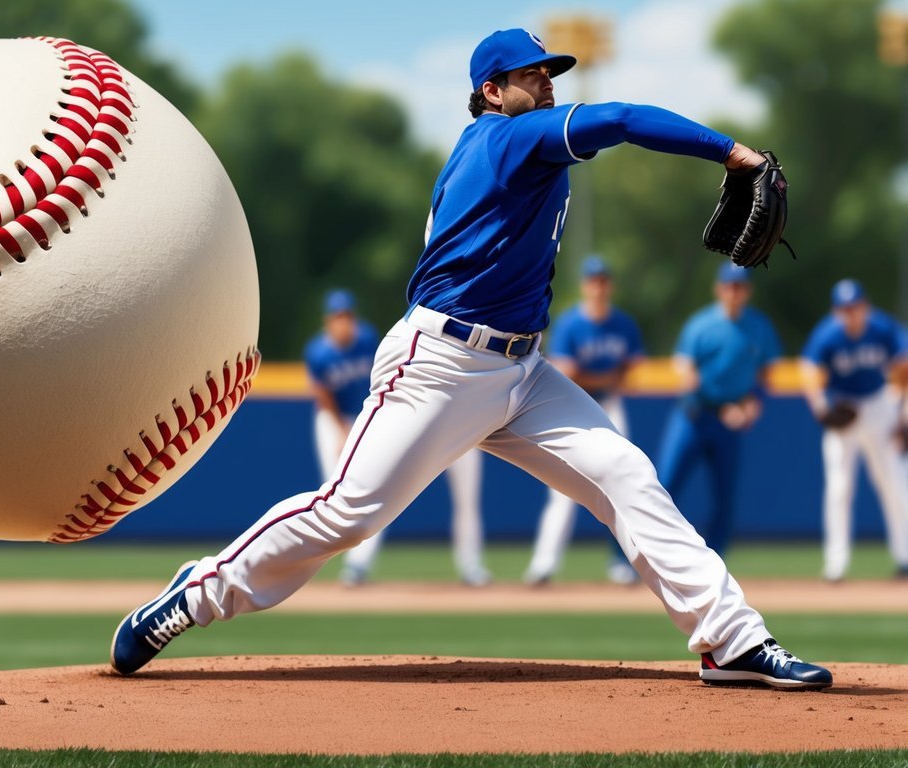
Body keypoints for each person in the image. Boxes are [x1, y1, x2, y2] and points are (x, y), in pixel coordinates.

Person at [110, 28, 831, 690]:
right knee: (346, 514)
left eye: (550, 73)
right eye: (530, 75)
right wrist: (731, 152)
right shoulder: (504, 140)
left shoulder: (508, 144)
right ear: (491, 90)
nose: (547, 84)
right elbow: (618, 118)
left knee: (626, 475)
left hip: (521, 372)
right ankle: (195, 594)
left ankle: (730, 640)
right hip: (440, 365)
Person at [306, 289, 490, 588]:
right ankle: (344, 565)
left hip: (439, 416)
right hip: (337, 419)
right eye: (339, 317)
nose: (344, 322)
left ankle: (471, 565)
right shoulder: (319, 352)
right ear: (329, 321)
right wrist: (342, 431)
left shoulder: (367, 338)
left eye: (348, 316)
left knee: (462, 499)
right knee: (344, 493)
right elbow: (324, 396)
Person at [523, 256, 644, 586]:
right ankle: (544, 564)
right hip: (572, 409)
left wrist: (597, 377)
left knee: (623, 484)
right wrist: (606, 376)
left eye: (603, 280)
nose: (598, 286)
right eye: (593, 280)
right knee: (561, 490)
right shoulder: (570, 324)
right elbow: (568, 373)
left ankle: (622, 563)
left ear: (610, 285)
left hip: (610, 405)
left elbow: (631, 373)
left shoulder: (623, 323)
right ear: (584, 285)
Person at [656, 263, 780, 558]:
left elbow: (768, 372)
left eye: (739, 286)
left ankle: (713, 563)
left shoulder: (758, 326)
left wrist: (752, 403)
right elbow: (682, 363)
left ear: (747, 291)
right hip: (693, 414)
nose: (734, 292)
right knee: (663, 488)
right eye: (729, 286)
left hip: (729, 418)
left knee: (725, 499)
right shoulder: (702, 324)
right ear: (719, 288)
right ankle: (640, 558)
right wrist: (687, 376)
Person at [800, 278, 908, 581]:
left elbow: (904, 366)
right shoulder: (827, 334)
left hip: (879, 406)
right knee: (839, 488)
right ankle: (836, 564)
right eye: (844, 308)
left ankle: (905, 557)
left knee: (894, 481)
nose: (851, 313)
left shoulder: (882, 328)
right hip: (845, 410)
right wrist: (823, 411)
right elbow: (809, 372)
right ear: (837, 311)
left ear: (865, 306)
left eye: (855, 306)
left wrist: (903, 416)